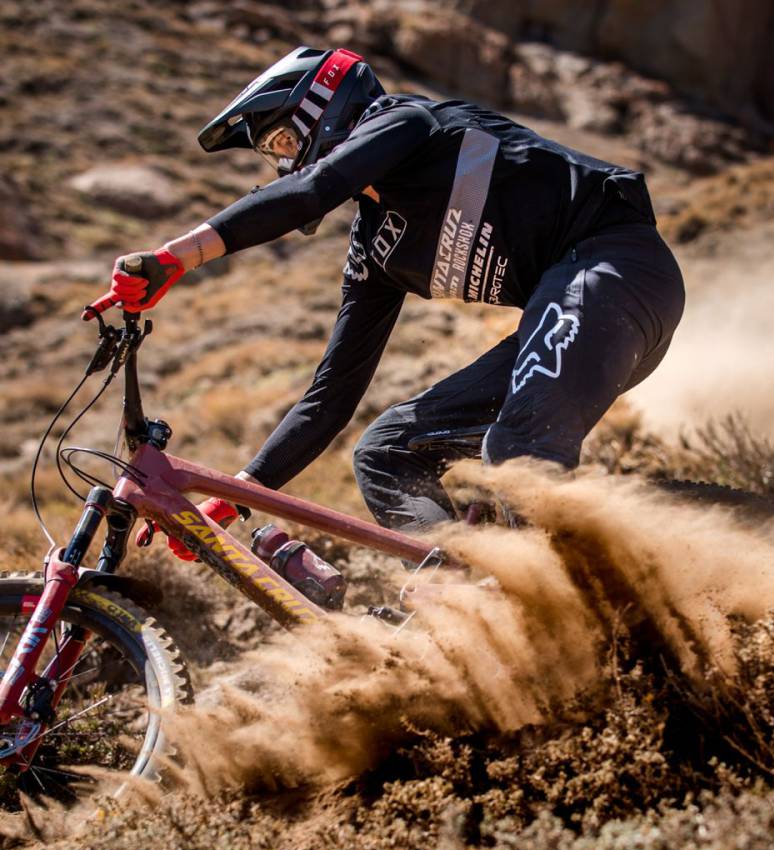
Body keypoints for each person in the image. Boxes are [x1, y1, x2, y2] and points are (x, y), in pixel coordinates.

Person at [88, 46, 685, 550]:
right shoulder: (378, 247)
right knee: (386, 451)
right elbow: (331, 396)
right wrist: (240, 493)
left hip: (620, 269)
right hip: (574, 316)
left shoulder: (410, 124)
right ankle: (469, 600)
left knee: (518, 450)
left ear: (324, 107)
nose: (280, 163)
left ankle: (573, 623)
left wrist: (177, 256)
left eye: (280, 140)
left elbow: (311, 189)